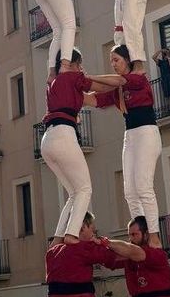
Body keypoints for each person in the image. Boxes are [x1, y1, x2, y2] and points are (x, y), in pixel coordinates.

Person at [41, 49, 125, 239]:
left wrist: (115, 94)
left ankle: (57, 239)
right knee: (84, 189)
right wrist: (124, 79)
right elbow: (103, 87)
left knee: (73, 193)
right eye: (80, 65)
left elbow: (95, 99)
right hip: (64, 134)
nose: (82, 69)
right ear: (71, 65)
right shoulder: (72, 77)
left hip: (48, 140)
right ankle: (71, 235)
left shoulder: (53, 84)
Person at [86, 45, 161, 238]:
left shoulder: (137, 78)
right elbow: (95, 100)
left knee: (143, 187)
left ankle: (153, 235)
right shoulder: (118, 88)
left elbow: (117, 80)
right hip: (131, 135)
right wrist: (70, 86)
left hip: (146, 132)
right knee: (130, 191)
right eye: (111, 60)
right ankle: (140, 233)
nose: (113, 64)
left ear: (128, 61)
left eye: (116, 60)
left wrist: (87, 77)